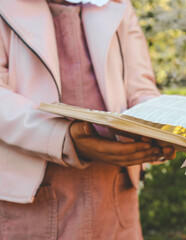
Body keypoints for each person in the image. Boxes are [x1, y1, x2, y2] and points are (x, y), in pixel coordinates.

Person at [0, 0, 175, 239]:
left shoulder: (118, 5)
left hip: (114, 192)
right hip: (31, 200)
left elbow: (140, 88)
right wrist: (63, 138)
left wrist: (158, 127)